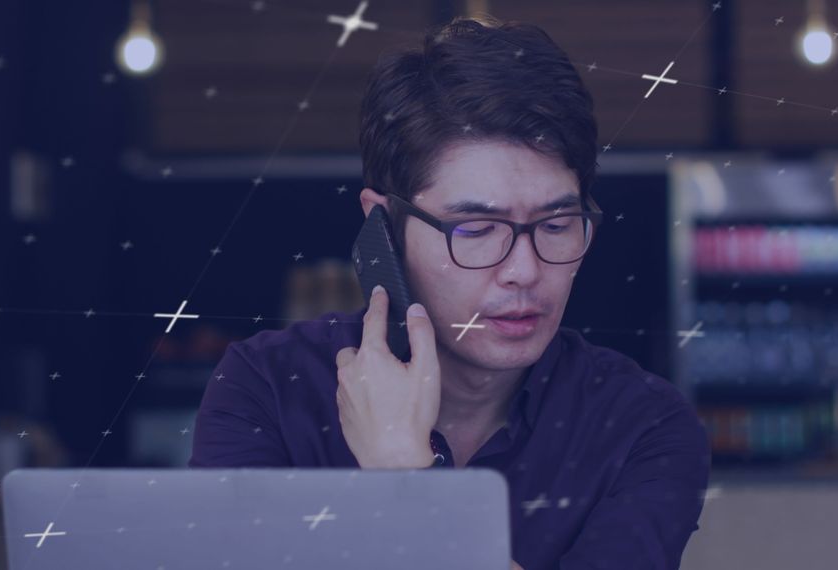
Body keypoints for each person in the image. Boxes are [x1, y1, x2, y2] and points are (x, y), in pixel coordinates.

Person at [190, 15, 710, 570]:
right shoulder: (269, 389)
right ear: (384, 224)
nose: (524, 271)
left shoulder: (643, 427)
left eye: (557, 225)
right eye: (476, 230)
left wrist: (404, 475)